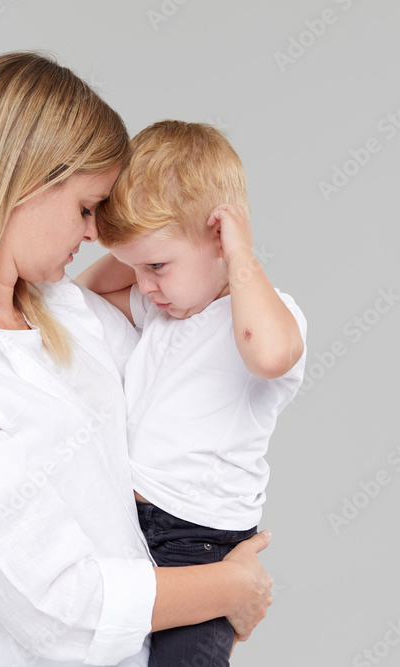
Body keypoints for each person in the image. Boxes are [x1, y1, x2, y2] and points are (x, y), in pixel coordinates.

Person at [0, 52, 275, 666]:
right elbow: (58, 609)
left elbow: (181, 392)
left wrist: (202, 235)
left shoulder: (67, 312)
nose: (93, 234)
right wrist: (228, 588)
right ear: (21, 185)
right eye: (88, 208)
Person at [76, 120, 307, 666]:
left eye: (157, 267)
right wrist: (139, 246)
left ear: (220, 238)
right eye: (138, 269)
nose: (145, 286)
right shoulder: (161, 312)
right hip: (129, 527)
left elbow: (270, 355)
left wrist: (241, 259)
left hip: (199, 542)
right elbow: (83, 295)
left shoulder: (261, 316)